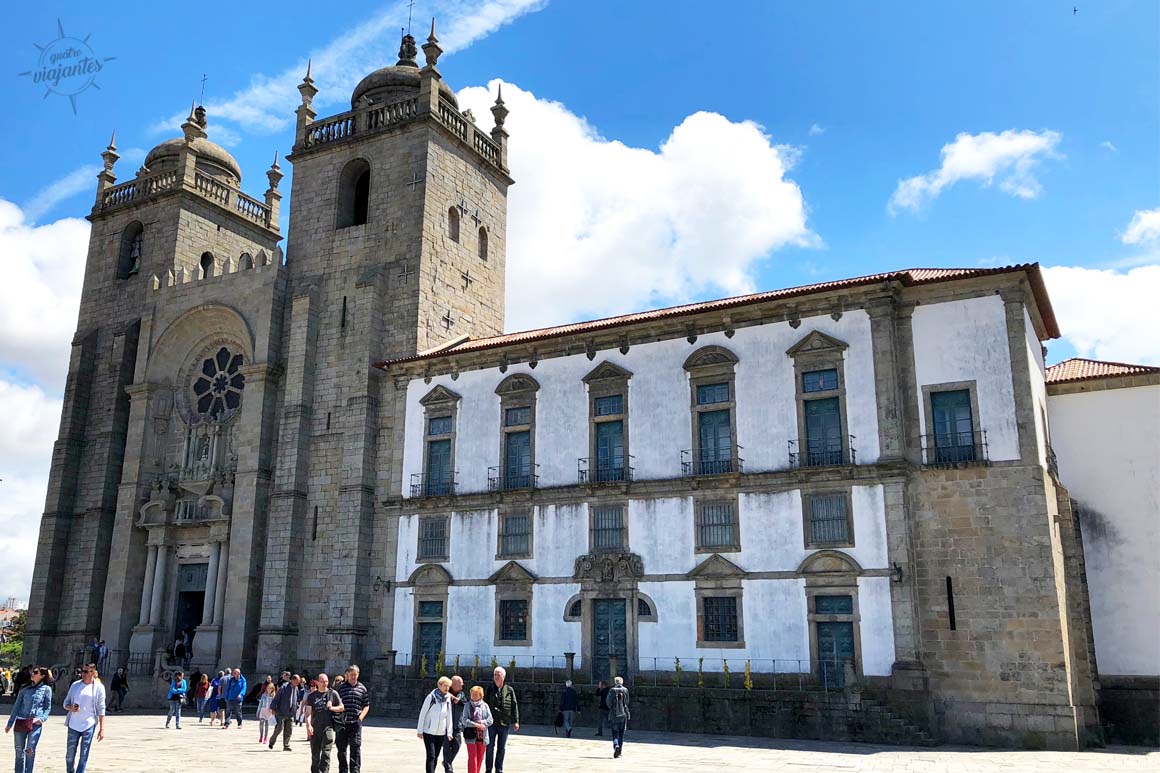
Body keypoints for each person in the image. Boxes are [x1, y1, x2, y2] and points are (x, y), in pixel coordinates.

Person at [5, 665, 52, 773]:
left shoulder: (46, 689)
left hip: (35, 724)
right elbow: (16, 706)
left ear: (42, 676)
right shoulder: (24, 689)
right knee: (19, 751)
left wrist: (42, 719)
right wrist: (9, 724)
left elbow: (47, 707)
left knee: (30, 751)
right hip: (21, 721)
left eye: (35, 672)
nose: (32, 674)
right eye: (32, 672)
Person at [62, 663, 105, 773]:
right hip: (74, 724)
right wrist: (71, 708)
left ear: (92, 672)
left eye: (86, 671)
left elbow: (101, 708)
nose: (83, 674)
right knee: (70, 755)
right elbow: (65, 703)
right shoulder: (75, 685)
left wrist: (102, 728)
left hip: (89, 724)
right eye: (82, 671)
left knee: (84, 753)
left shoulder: (99, 688)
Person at [304, 673, 344, 773]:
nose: (324, 684)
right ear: (317, 682)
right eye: (322, 682)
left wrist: (332, 708)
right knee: (315, 755)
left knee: (326, 753)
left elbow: (341, 707)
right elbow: (308, 713)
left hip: (328, 727)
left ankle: (324, 771)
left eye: (326, 681)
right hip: (315, 728)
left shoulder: (333, 693)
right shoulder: (311, 696)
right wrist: (308, 725)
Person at [335, 664, 371, 773]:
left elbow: (366, 705)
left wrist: (360, 718)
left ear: (358, 675)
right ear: (347, 675)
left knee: (355, 748)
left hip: (355, 723)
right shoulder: (341, 688)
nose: (353, 677)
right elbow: (336, 702)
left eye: (355, 674)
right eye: (351, 675)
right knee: (341, 749)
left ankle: (355, 770)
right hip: (342, 723)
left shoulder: (362, 688)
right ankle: (343, 770)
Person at [483, 667, 518, 773]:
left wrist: (516, 721)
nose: (496, 677)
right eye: (495, 675)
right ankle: (488, 769)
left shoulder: (509, 690)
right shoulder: (489, 689)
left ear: (503, 677)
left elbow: (514, 706)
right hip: (491, 723)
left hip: (504, 722)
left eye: (498, 675)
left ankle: (499, 769)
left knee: (501, 748)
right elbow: (484, 705)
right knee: (489, 747)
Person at [417, 676, 454, 773]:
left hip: (441, 732)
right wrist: (420, 730)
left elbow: (449, 716)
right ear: (439, 685)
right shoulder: (431, 697)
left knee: (436, 756)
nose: (447, 688)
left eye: (448, 686)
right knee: (431, 755)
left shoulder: (448, 698)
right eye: (445, 686)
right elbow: (423, 714)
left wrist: (449, 732)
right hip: (428, 731)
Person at [458, 685, 493, 773]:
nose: (473, 695)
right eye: (472, 694)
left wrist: (481, 722)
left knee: (480, 758)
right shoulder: (467, 706)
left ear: (480, 695)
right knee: (472, 757)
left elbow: (490, 720)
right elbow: (464, 720)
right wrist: (475, 724)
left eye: (476, 694)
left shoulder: (485, 706)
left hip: (482, 736)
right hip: (471, 736)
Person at [268, 673, 301, 751]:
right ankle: (271, 742)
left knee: (289, 730)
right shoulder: (284, 687)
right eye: (296, 682)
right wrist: (273, 708)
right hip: (281, 712)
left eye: (298, 683)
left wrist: (296, 706)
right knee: (279, 728)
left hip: (291, 713)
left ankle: (286, 745)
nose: (297, 684)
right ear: (292, 680)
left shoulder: (296, 688)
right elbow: (276, 698)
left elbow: (297, 698)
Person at [442, 675, 466, 773]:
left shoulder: (462, 694)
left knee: (457, 745)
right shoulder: (445, 693)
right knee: (446, 747)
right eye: (460, 684)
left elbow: (465, 703)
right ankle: (448, 768)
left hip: (457, 725)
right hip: (446, 725)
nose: (462, 685)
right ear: (453, 685)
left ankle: (446, 762)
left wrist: (458, 700)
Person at [605, 676, 630, 758]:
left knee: (615, 733)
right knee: (621, 734)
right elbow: (627, 702)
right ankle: (619, 752)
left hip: (614, 714)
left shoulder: (612, 690)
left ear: (615, 682)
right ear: (622, 682)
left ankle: (616, 745)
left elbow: (608, 702)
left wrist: (612, 708)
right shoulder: (625, 690)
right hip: (623, 714)